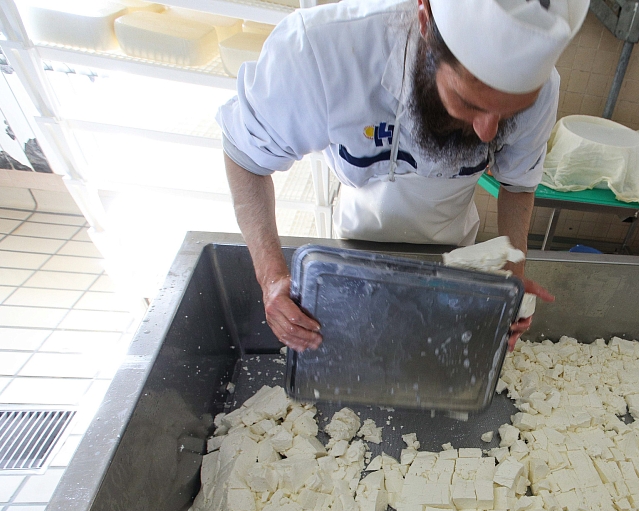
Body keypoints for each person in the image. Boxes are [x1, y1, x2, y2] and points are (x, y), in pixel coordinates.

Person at [218, 0, 587, 351]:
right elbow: (245, 158)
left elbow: (518, 184)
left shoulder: (543, 89)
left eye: (508, 113)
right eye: (468, 102)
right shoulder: (322, 53)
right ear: (424, 20)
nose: (488, 132)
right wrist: (271, 277)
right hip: (354, 248)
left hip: (455, 250)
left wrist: (513, 274)